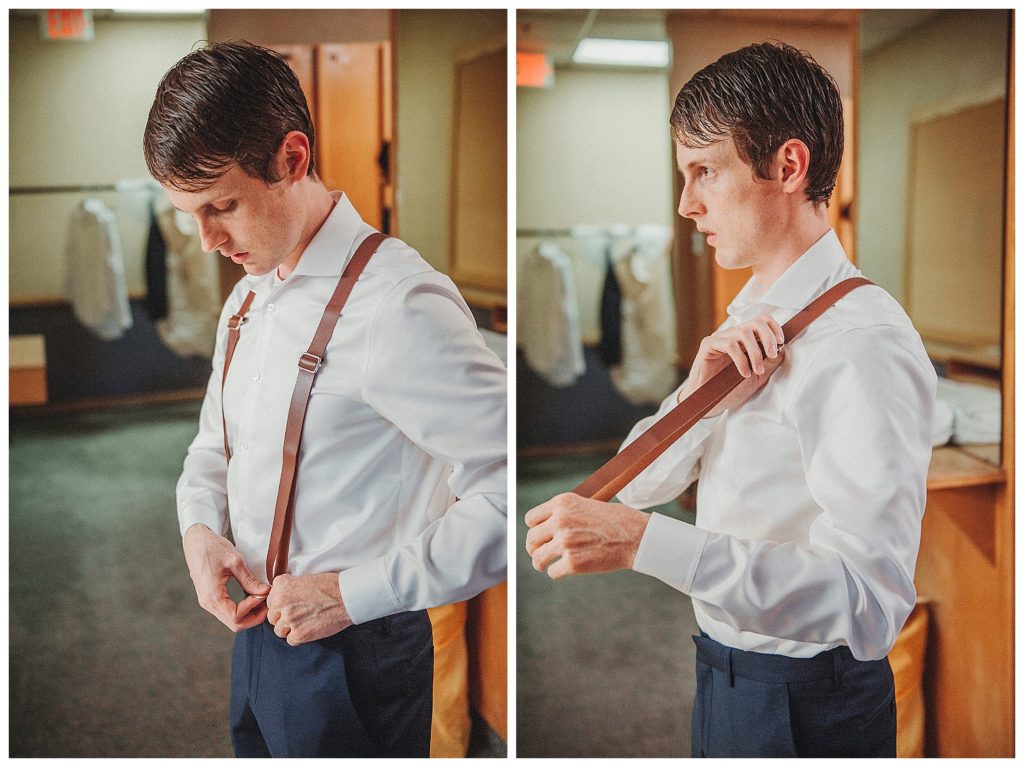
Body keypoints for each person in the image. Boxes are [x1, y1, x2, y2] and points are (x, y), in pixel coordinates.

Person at [525, 41, 935, 758]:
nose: (687, 204)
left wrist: (644, 543)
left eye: (704, 171)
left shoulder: (862, 342)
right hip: (725, 675)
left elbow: (870, 605)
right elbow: (638, 481)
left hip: (808, 703)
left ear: (787, 165)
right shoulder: (750, 312)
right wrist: (700, 395)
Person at [144, 41, 507, 758]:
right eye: (190, 213)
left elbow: (504, 491)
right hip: (257, 641)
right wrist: (197, 531)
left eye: (222, 206)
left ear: (292, 157)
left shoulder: (399, 304)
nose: (208, 239)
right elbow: (212, 448)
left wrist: (355, 594)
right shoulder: (248, 298)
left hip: (359, 649)